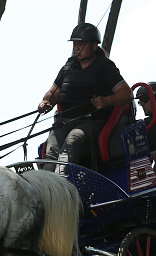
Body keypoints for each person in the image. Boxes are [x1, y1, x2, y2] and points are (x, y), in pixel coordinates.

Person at [38, 23, 133, 174]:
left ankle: (62, 187)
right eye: (75, 44)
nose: (77, 48)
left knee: (70, 146)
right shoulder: (69, 66)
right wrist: (46, 102)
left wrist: (106, 100)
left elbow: (127, 93)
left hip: (91, 122)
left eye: (81, 45)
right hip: (64, 122)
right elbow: (53, 92)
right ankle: (46, 189)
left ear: (94, 46)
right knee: (50, 155)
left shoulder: (104, 67)